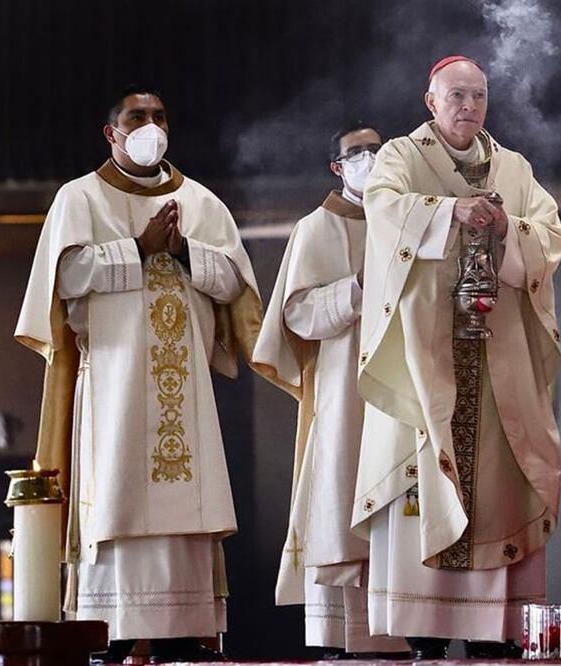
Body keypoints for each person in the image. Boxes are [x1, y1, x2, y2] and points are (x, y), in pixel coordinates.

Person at [14, 85, 267, 664]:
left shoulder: (202, 201)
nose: (150, 124)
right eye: (137, 117)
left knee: (188, 502)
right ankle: (116, 627)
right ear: (113, 132)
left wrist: (182, 253)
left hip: (188, 391)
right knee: (117, 496)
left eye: (158, 116)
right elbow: (67, 277)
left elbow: (234, 284)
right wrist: (136, 246)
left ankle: (187, 630)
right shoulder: (79, 198)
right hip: (115, 383)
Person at [351, 55, 561, 658]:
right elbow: (383, 206)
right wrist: (451, 211)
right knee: (424, 471)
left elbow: (550, 235)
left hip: (495, 356)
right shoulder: (401, 156)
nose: (468, 107)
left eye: (478, 96)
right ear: (431, 102)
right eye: (456, 96)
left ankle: (492, 628)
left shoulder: (514, 167)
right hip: (425, 357)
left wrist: (507, 228)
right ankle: (425, 630)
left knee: (500, 476)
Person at [252, 121, 407, 658]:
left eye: (377, 151)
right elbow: (296, 314)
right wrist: (358, 288)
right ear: (338, 168)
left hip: (407, 390)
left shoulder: (412, 218)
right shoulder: (316, 228)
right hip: (347, 392)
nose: (368, 159)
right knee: (345, 496)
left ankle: (410, 629)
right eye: (355, 154)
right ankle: (353, 640)